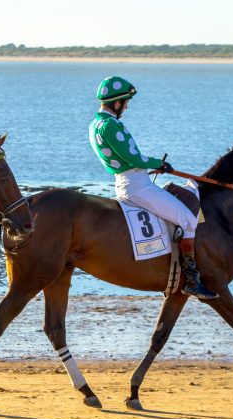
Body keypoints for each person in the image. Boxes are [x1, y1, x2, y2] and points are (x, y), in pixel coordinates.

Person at [88, 76, 218, 300]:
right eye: (125, 102)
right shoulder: (111, 125)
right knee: (188, 220)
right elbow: (134, 158)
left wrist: (151, 165)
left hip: (127, 181)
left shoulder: (95, 125)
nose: (126, 107)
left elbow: (126, 159)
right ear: (116, 103)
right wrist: (159, 163)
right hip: (137, 185)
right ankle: (191, 280)